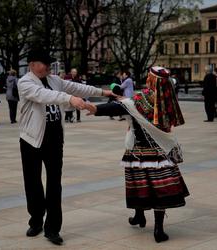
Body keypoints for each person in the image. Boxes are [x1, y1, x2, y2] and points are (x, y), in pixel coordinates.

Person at [17, 48, 114, 245]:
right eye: (43, 63)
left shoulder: (55, 80)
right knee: (33, 183)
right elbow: (44, 96)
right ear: (32, 65)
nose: (47, 67)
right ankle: (36, 219)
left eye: (48, 63)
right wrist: (69, 99)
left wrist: (103, 92)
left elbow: (77, 88)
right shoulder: (25, 82)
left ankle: (52, 228)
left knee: (54, 184)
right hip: (31, 140)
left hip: (54, 139)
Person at [85, 66, 189, 243]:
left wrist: (96, 109)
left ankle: (139, 216)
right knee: (160, 190)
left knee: (138, 185)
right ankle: (158, 229)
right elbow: (131, 104)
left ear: (151, 80)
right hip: (161, 153)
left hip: (138, 151)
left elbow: (123, 107)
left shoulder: (142, 98)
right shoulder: (168, 99)